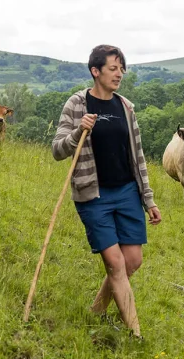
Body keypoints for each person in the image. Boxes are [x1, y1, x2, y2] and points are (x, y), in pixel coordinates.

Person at [52, 45, 161, 339]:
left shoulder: (126, 107)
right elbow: (57, 150)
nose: (119, 74)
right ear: (95, 71)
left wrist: (148, 198)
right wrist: (78, 132)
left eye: (122, 69)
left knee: (131, 262)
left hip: (127, 192)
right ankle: (136, 334)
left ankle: (98, 310)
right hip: (93, 194)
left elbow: (137, 155)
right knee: (114, 263)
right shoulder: (76, 105)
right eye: (113, 68)